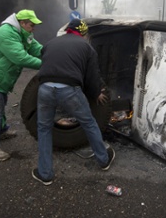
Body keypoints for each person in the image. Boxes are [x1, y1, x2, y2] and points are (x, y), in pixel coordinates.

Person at [32, 19, 115, 185]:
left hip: (45, 88)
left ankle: (45, 174)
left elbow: (47, 62)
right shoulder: (86, 47)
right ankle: (103, 160)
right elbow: (92, 75)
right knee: (89, 123)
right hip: (69, 89)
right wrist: (96, 93)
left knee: (44, 128)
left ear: (68, 30)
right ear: (84, 33)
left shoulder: (50, 43)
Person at [0, 9, 43, 162]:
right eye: (31, 25)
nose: (33, 28)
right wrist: (46, 65)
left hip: (0, 77)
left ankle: (2, 130)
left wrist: (51, 53)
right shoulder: (7, 34)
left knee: (1, 103)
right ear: (22, 23)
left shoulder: (23, 33)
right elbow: (20, 58)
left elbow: (36, 48)